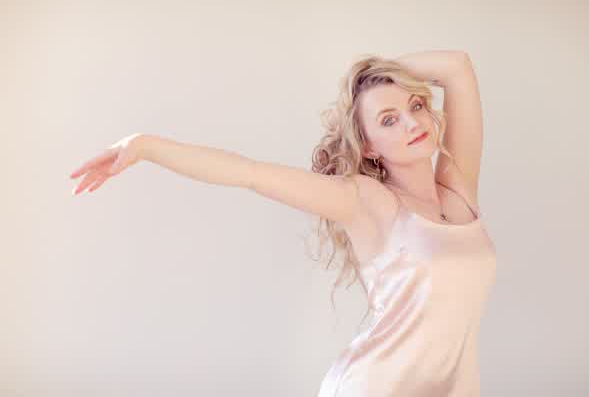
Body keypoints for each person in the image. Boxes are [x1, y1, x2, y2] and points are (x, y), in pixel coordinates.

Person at [69, 50, 496, 396]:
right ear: (368, 147)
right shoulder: (367, 200)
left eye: (416, 105)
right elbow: (250, 174)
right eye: (388, 119)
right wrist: (144, 147)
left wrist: (372, 75)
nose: (412, 122)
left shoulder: (458, 193)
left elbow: (457, 66)